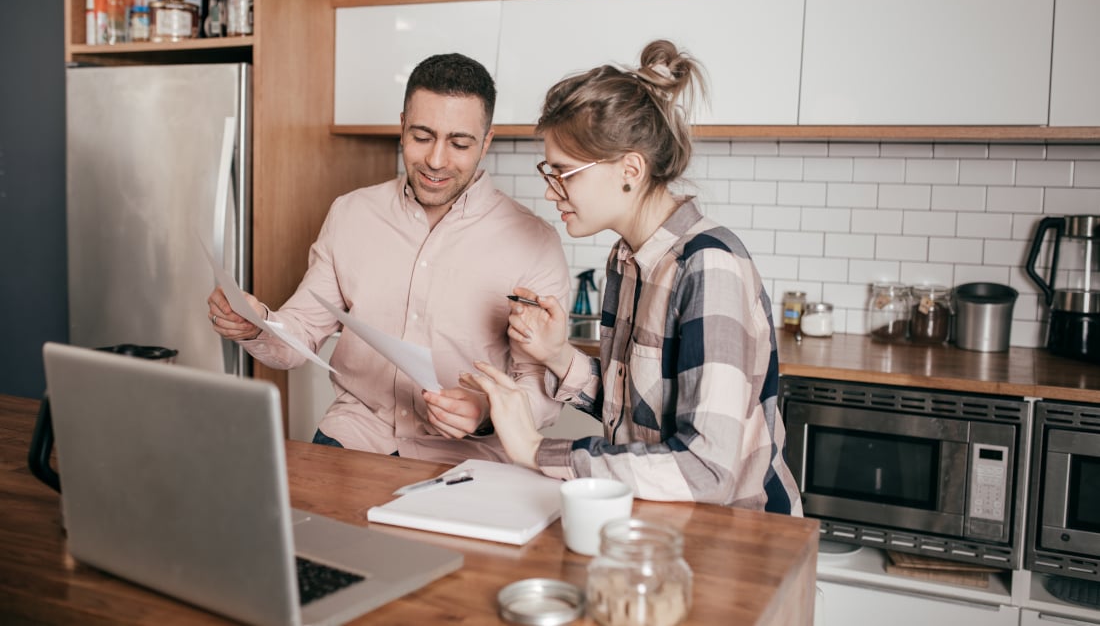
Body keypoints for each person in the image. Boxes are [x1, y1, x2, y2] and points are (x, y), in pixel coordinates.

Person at [463, 40, 802, 514]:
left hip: (737, 540)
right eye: (549, 171)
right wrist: (557, 355)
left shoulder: (710, 265)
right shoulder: (626, 261)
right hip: (656, 522)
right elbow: (641, 412)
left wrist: (537, 450)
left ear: (631, 169)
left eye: (565, 173)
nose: (551, 191)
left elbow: (708, 469)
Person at [207, 52, 571, 465]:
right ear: (401, 127)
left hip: (467, 460)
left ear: (485, 142)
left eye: (459, 143)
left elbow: (541, 387)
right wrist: (255, 323)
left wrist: (487, 412)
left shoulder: (534, 243)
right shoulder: (351, 213)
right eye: (422, 136)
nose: (436, 160)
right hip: (354, 436)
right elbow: (299, 335)